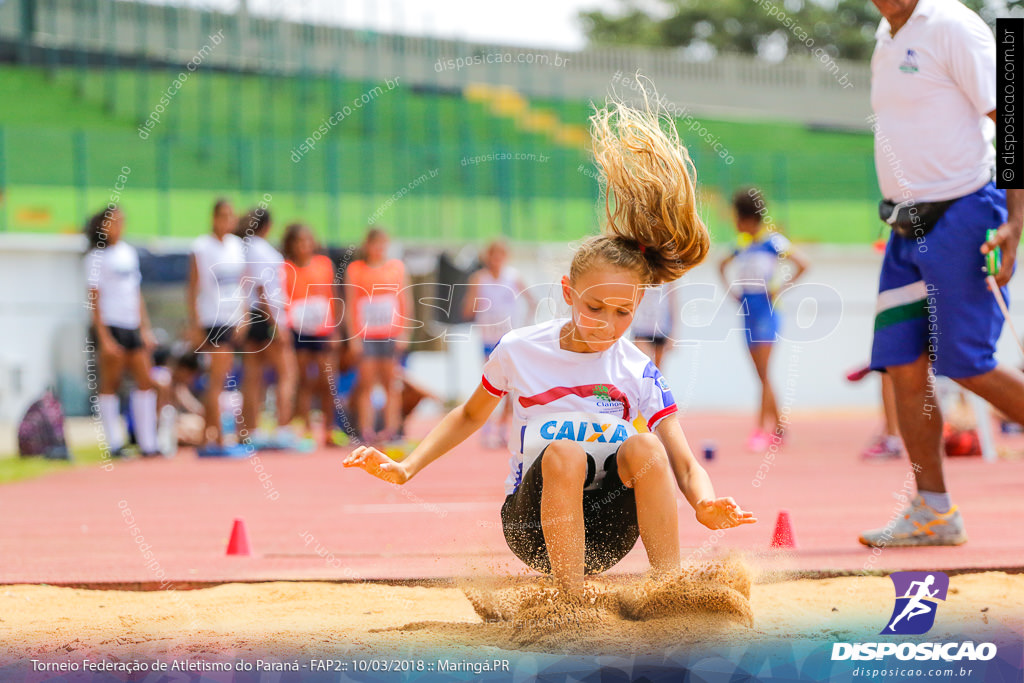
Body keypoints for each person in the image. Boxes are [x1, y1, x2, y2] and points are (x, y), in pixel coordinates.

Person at [344, 92, 756, 596]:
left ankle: (668, 588)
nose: (606, 323)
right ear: (568, 293)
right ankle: (569, 601)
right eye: (594, 308)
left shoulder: (637, 370)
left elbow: (684, 462)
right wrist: (406, 467)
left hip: (609, 530)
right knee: (563, 452)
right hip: (533, 527)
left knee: (646, 444)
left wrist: (704, 502)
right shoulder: (520, 349)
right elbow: (470, 416)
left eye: (623, 313)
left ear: (639, 307)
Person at [860, 0, 1024, 547]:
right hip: (904, 228)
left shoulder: (951, 24)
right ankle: (934, 511)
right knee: (901, 364)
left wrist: (1016, 220)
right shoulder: (886, 37)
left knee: (965, 362)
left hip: (966, 213)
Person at [718, 188, 808, 452]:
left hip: (767, 311)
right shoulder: (742, 243)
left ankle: (761, 429)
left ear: (747, 218)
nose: (734, 222)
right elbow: (720, 265)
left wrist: (780, 288)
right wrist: (731, 290)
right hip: (747, 309)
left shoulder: (773, 242)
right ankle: (779, 427)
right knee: (760, 373)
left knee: (764, 371)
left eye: (736, 217)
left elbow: (803, 263)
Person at [84, 206, 160, 457]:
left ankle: (148, 443)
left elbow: (136, 293)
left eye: (121, 221)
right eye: (114, 221)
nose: (119, 226)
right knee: (111, 382)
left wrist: (145, 328)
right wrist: (104, 337)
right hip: (111, 324)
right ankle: (114, 443)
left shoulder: (128, 253)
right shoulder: (95, 257)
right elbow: (93, 299)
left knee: (145, 380)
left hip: (132, 325)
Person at [462, 239, 534, 448]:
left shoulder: (512, 276)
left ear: (505, 257)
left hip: (508, 338)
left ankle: (503, 428)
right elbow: (468, 309)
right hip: (487, 338)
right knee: (489, 384)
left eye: (500, 255)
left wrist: (524, 326)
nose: (496, 260)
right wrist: (476, 306)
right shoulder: (479, 278)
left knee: (510, 386)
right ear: (487, 257)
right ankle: (486, 427)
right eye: (492, 255)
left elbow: (532, 300)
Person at [187, 198, 246, 451]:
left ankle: (205, 436)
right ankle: (218, 436)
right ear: (213, 217)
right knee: (217, 381)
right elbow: (192, 287)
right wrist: (196, 323)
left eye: (230, 215)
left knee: (221, 378)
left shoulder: (236, 245)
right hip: (213, 318)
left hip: (232, 318)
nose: (226, 220)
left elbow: (241, 283)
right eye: (222, 215)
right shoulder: (202, 246)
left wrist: (243, 315)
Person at [236, 207, 298, 447]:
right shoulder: (262, 250)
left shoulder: (244, 247)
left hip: (251, 314)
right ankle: (283, 428)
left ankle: (249, 430)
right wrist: (276, 324)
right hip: (266, 315)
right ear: (268, 226)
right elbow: (262, 289)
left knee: (253, 375)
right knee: (286, 373)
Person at [345, 228, 412, 443]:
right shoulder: (356, 270)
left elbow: (406, 302)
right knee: (366, 383)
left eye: (383, 244)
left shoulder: (397, 269)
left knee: (391, 384)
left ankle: (391, 430)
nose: (379, 248)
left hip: (390, 334)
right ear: (367, 245)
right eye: (375, 244)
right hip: (366, 335)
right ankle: (366, 430)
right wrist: (353, 337)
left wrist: (405, 332)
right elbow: (350, 305)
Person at [281, 223, 340, 445]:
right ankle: (305, 427)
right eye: (299, 241)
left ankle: (329, 429)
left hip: (323, 329)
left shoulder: (324, 265)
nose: (304, 246)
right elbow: (283, 299)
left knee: (327, 381)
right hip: (298, 330)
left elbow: (332, 296)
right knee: (304, 380)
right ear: (291, 244)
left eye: (308, 240)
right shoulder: (285, 268)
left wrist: (335, 330)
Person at [631, 282, 679, 369]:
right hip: (642, 329)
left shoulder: (669, 277)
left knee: (658, 372)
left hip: (661, 329)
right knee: (644, 367)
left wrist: (673, 334)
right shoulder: (641, 272)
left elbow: (673, 304)